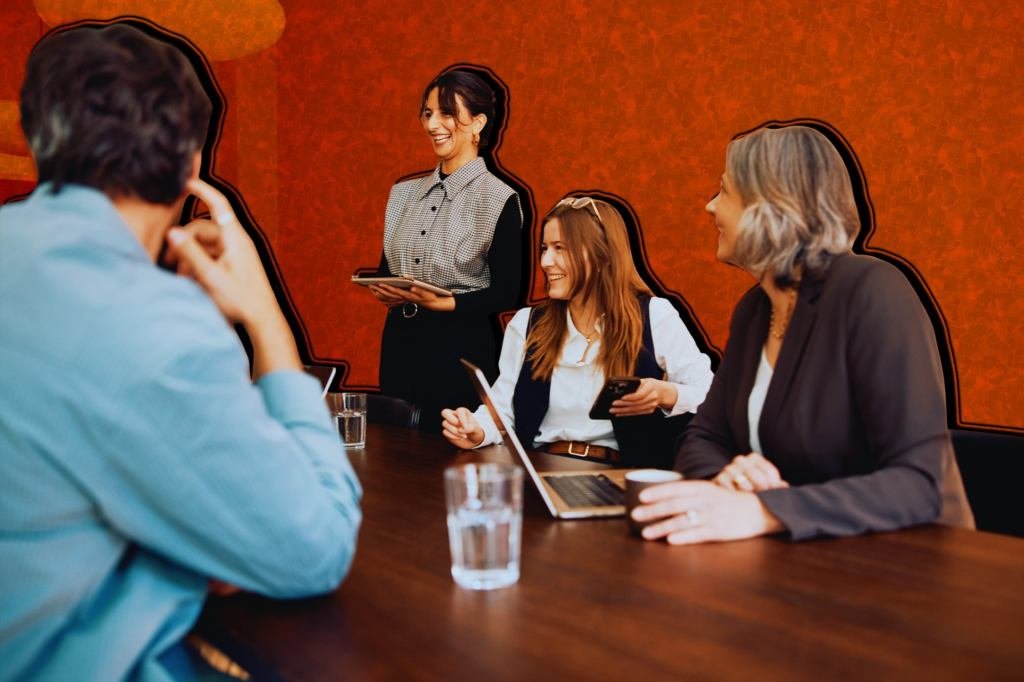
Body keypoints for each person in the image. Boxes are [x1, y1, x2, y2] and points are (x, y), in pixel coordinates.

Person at [0, 23, 361, 680]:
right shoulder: (148, 322)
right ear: (191, 166)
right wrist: (264, 315)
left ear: (42, 139)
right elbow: (315, 547)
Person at [632, 125, 974, 543]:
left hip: (912, 561)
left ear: (769, 206)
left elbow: (919, 484)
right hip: (807, 556)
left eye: (724, 191)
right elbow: (702, 437)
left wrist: (766, 510)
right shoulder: (755, 309)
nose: (710, 206)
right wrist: (729, 476)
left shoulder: (873, 290)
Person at [441, 196, 713, 468]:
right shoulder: (526, 323)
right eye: (544, 248)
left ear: (601, 254)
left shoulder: (654, 315)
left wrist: (665, 394)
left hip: (621, 475)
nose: (546, 261)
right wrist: (476, 430)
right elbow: (502, 409)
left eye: (560, 248)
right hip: (540, 467)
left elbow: (708, 393)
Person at [367, 68, 523, 431]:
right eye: (428, 113)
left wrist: (446, 303)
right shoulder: (402, 194)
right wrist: (385, 288)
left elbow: (507, 292)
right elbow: (387, 267)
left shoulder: (499, 198)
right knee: (396, 450)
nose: (432, 124)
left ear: (478, 123)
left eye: (447, 113)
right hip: (400, 345)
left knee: (453, 449)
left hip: (460, 349)